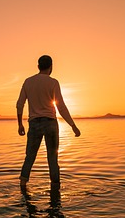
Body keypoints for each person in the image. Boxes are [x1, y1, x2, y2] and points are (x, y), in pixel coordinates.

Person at [16, 55, 80, 189]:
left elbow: (19, 104)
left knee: (30, 157)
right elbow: (61, 106)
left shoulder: (28, 82)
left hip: (34, 123)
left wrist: (20, 124)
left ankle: (22, 185)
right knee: (52, 159)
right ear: (51, 67)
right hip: (50, 123)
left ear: (38, 66)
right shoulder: (53, 82)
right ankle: (55, 188)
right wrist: (73, 126)